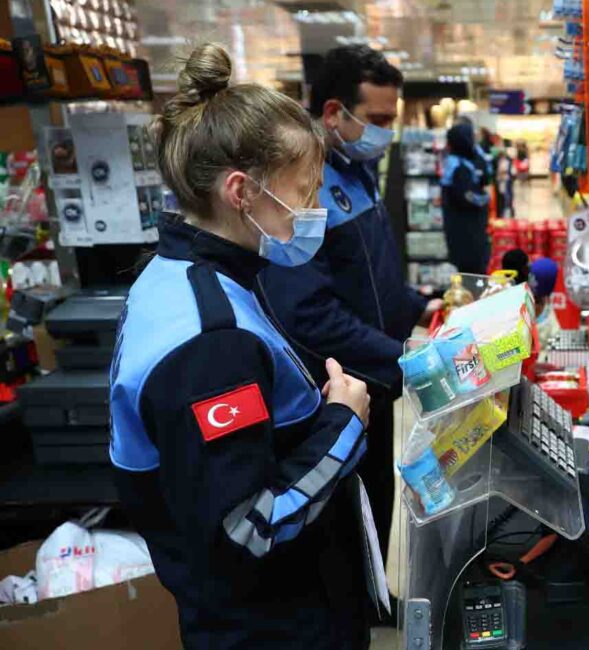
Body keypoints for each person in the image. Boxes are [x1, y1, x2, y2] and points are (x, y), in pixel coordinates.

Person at [109, 43, 378, 648]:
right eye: (304, 193)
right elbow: (248, 527)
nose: (314, 212)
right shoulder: (211, 344)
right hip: (272, 627)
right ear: (241, 192)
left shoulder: (176, 275)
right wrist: (343, 421)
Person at [259, 45, 441, 559]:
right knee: (346, 519)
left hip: (376, 382)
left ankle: (377, 598)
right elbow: (306, 311)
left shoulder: (358, 170)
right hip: (335, 391)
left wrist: (419, 306)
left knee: (379, 502)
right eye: (378, 119)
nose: (388, 131)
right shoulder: (302, 188)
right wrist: (399, 358)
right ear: (334, 113)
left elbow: (372, 273)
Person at [442, 121, 491, 274]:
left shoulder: (464, 161)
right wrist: (485, 198)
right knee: (472, 274)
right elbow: (467, 197)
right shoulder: (458, 167)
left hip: (468, 230)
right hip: (466, 234)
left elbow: (485, 176)